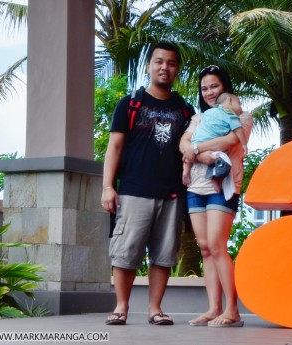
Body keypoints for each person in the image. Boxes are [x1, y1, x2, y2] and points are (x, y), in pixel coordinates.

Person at [101, 41, 194, 326]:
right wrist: (108, 186)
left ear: (177, 69)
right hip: (133, 190)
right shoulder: (130, 104)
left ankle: (155, 309)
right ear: (149, 65)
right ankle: (121, 307)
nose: (164, 67)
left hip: (172, 194)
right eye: (159, 61)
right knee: (126, 253)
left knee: (163, 255)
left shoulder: (185, 111)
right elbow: (114, 147)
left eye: (171, 63)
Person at [179, 65, 253, 327]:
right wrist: (196, 152)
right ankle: (213, 308)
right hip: (195, 188)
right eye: (205, 88)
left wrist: (196, 148)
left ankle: (232, 311)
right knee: (205, 248)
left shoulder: (240, 114)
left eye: (214, 86)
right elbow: (182, 144)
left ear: (225, 88)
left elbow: (230, 141)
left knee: (218, 246)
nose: (209, 92)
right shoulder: (198, 118)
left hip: (223, 187)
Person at [182, 92, 248, 190]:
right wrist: (244, 144)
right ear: (229, 101)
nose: (241, 108)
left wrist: (194, 148)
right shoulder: (230, 114)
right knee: (221, 162)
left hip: (195, 140)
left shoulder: (208, 112)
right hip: (210, 143)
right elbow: (237, 129)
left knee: (188, 158)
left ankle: (186, 171)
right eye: (239, 104)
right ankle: (216, 179)